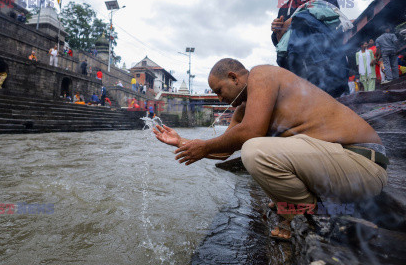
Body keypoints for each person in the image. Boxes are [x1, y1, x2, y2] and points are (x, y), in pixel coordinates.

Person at [153, 58, 387, 241]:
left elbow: (250, 134)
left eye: (219, 90)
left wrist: (203, 147)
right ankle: (299, 205)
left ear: (234, 77)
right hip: (338, 169)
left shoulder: (262, 75)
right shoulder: (243, 109)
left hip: (362, 163)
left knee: (255, 150)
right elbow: (225, 149)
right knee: (254, 150)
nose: (218, 98)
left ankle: (312, 211)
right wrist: (182, 141)